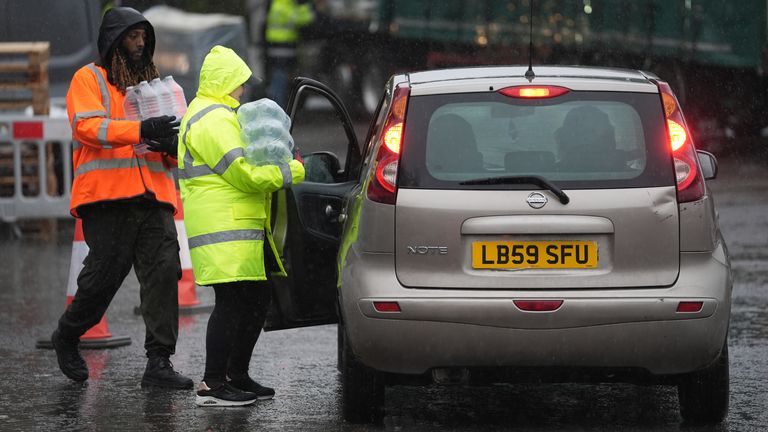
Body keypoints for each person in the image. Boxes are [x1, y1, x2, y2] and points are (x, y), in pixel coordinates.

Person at [50, 6, 193, 390]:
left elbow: (173, 147)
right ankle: (67, 334)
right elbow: (87, 127)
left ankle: (159, 362)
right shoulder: (89, 78)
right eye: (133, 37)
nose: (140, 43)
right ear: (114, 41)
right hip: (108, 200)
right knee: (102, 280)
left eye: (144, 37)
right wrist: (140, 128)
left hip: (154, 197)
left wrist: (171, 143)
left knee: (164, 274)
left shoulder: (154, 84)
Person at [177, 45, 305, 407]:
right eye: (240, 83)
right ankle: (213, 385)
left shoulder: (215, 114)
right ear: (226, 81)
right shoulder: (212, 119)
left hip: (236, 225)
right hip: (225, 227)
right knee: (232, 302)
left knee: (255, 299)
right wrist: (293, 170)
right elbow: (244, 175)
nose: (244, 90)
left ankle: (236, 375)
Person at [265, 0, 314, 108]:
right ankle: (277, 107)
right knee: (280, 76)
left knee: (279, 75)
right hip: (283, 45)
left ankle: (276, 105)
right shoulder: (284, 5)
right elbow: (305, 19)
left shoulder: (279, 3)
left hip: (278, 45)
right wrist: (304, 5)